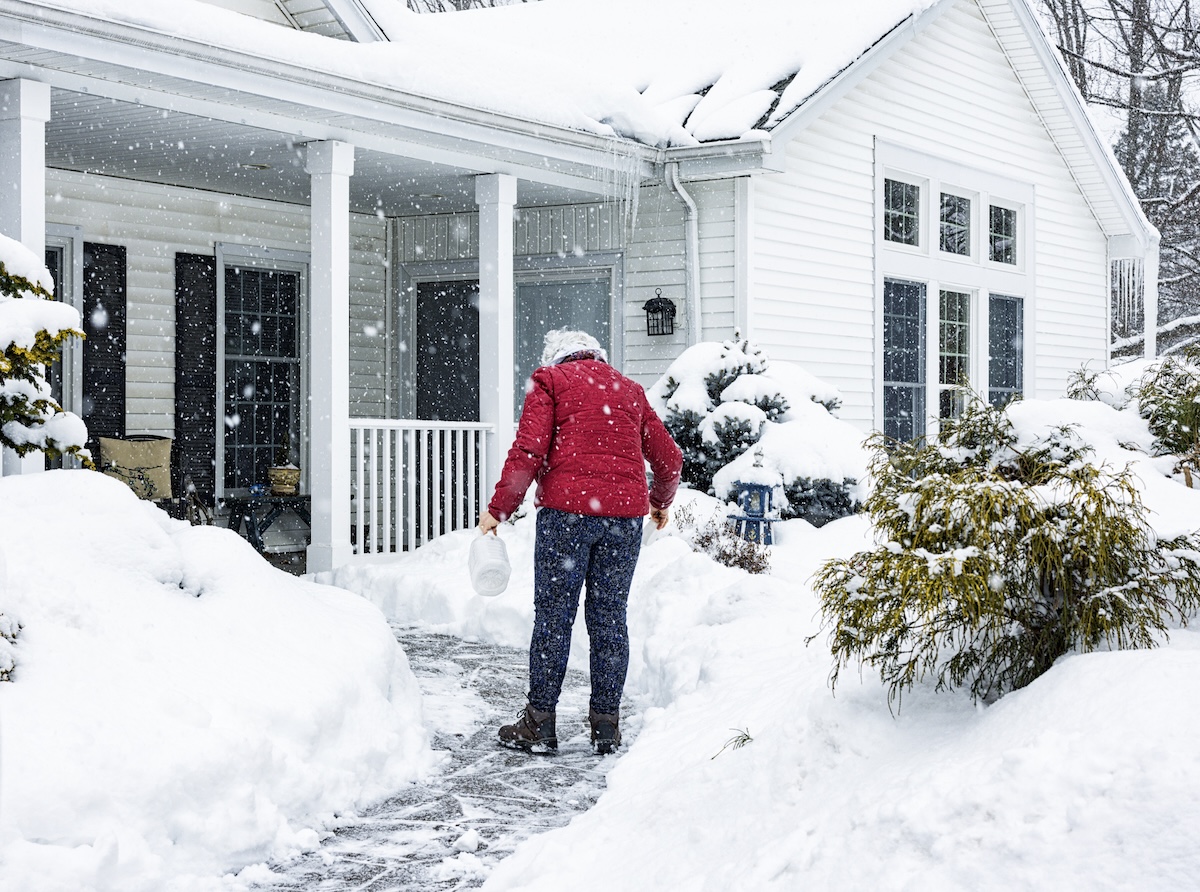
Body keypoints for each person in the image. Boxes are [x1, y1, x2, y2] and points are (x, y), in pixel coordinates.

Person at [478, 329, 682, 755]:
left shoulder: (550, 382)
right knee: (609, 617)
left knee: (554, 616)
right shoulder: (628, 391)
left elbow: (529, 451)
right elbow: (669, 459)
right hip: (623, 520)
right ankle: (606, 726)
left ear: (558, 359)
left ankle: (540, 723)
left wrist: (500, 508)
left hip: (566, 516)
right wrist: (660, 500)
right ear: (598, 357)